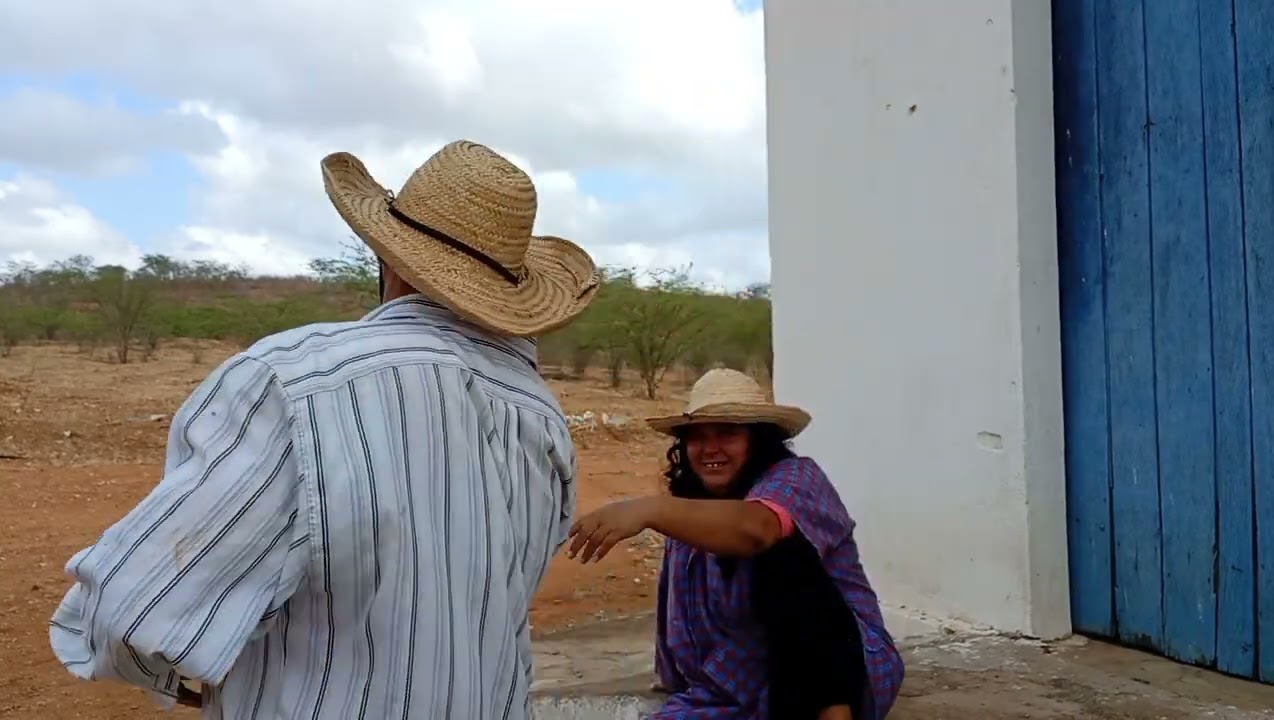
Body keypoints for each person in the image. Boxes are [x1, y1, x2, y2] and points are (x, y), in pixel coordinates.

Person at [48, 140, 601, 719]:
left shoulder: (295, 379)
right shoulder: (539, 413)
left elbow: (135, 612)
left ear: (387, 256)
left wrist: (184, 677)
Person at [567, 369, 904, 719]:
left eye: (727, 433)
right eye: (697, 437)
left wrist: (651, 509)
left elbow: (757, 529)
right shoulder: (690, 512)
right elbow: (677, 614)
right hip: (732, 686)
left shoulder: (797, 479)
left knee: (784, 556)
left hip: (834, 672)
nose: (711, 449)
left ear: (758, 439)